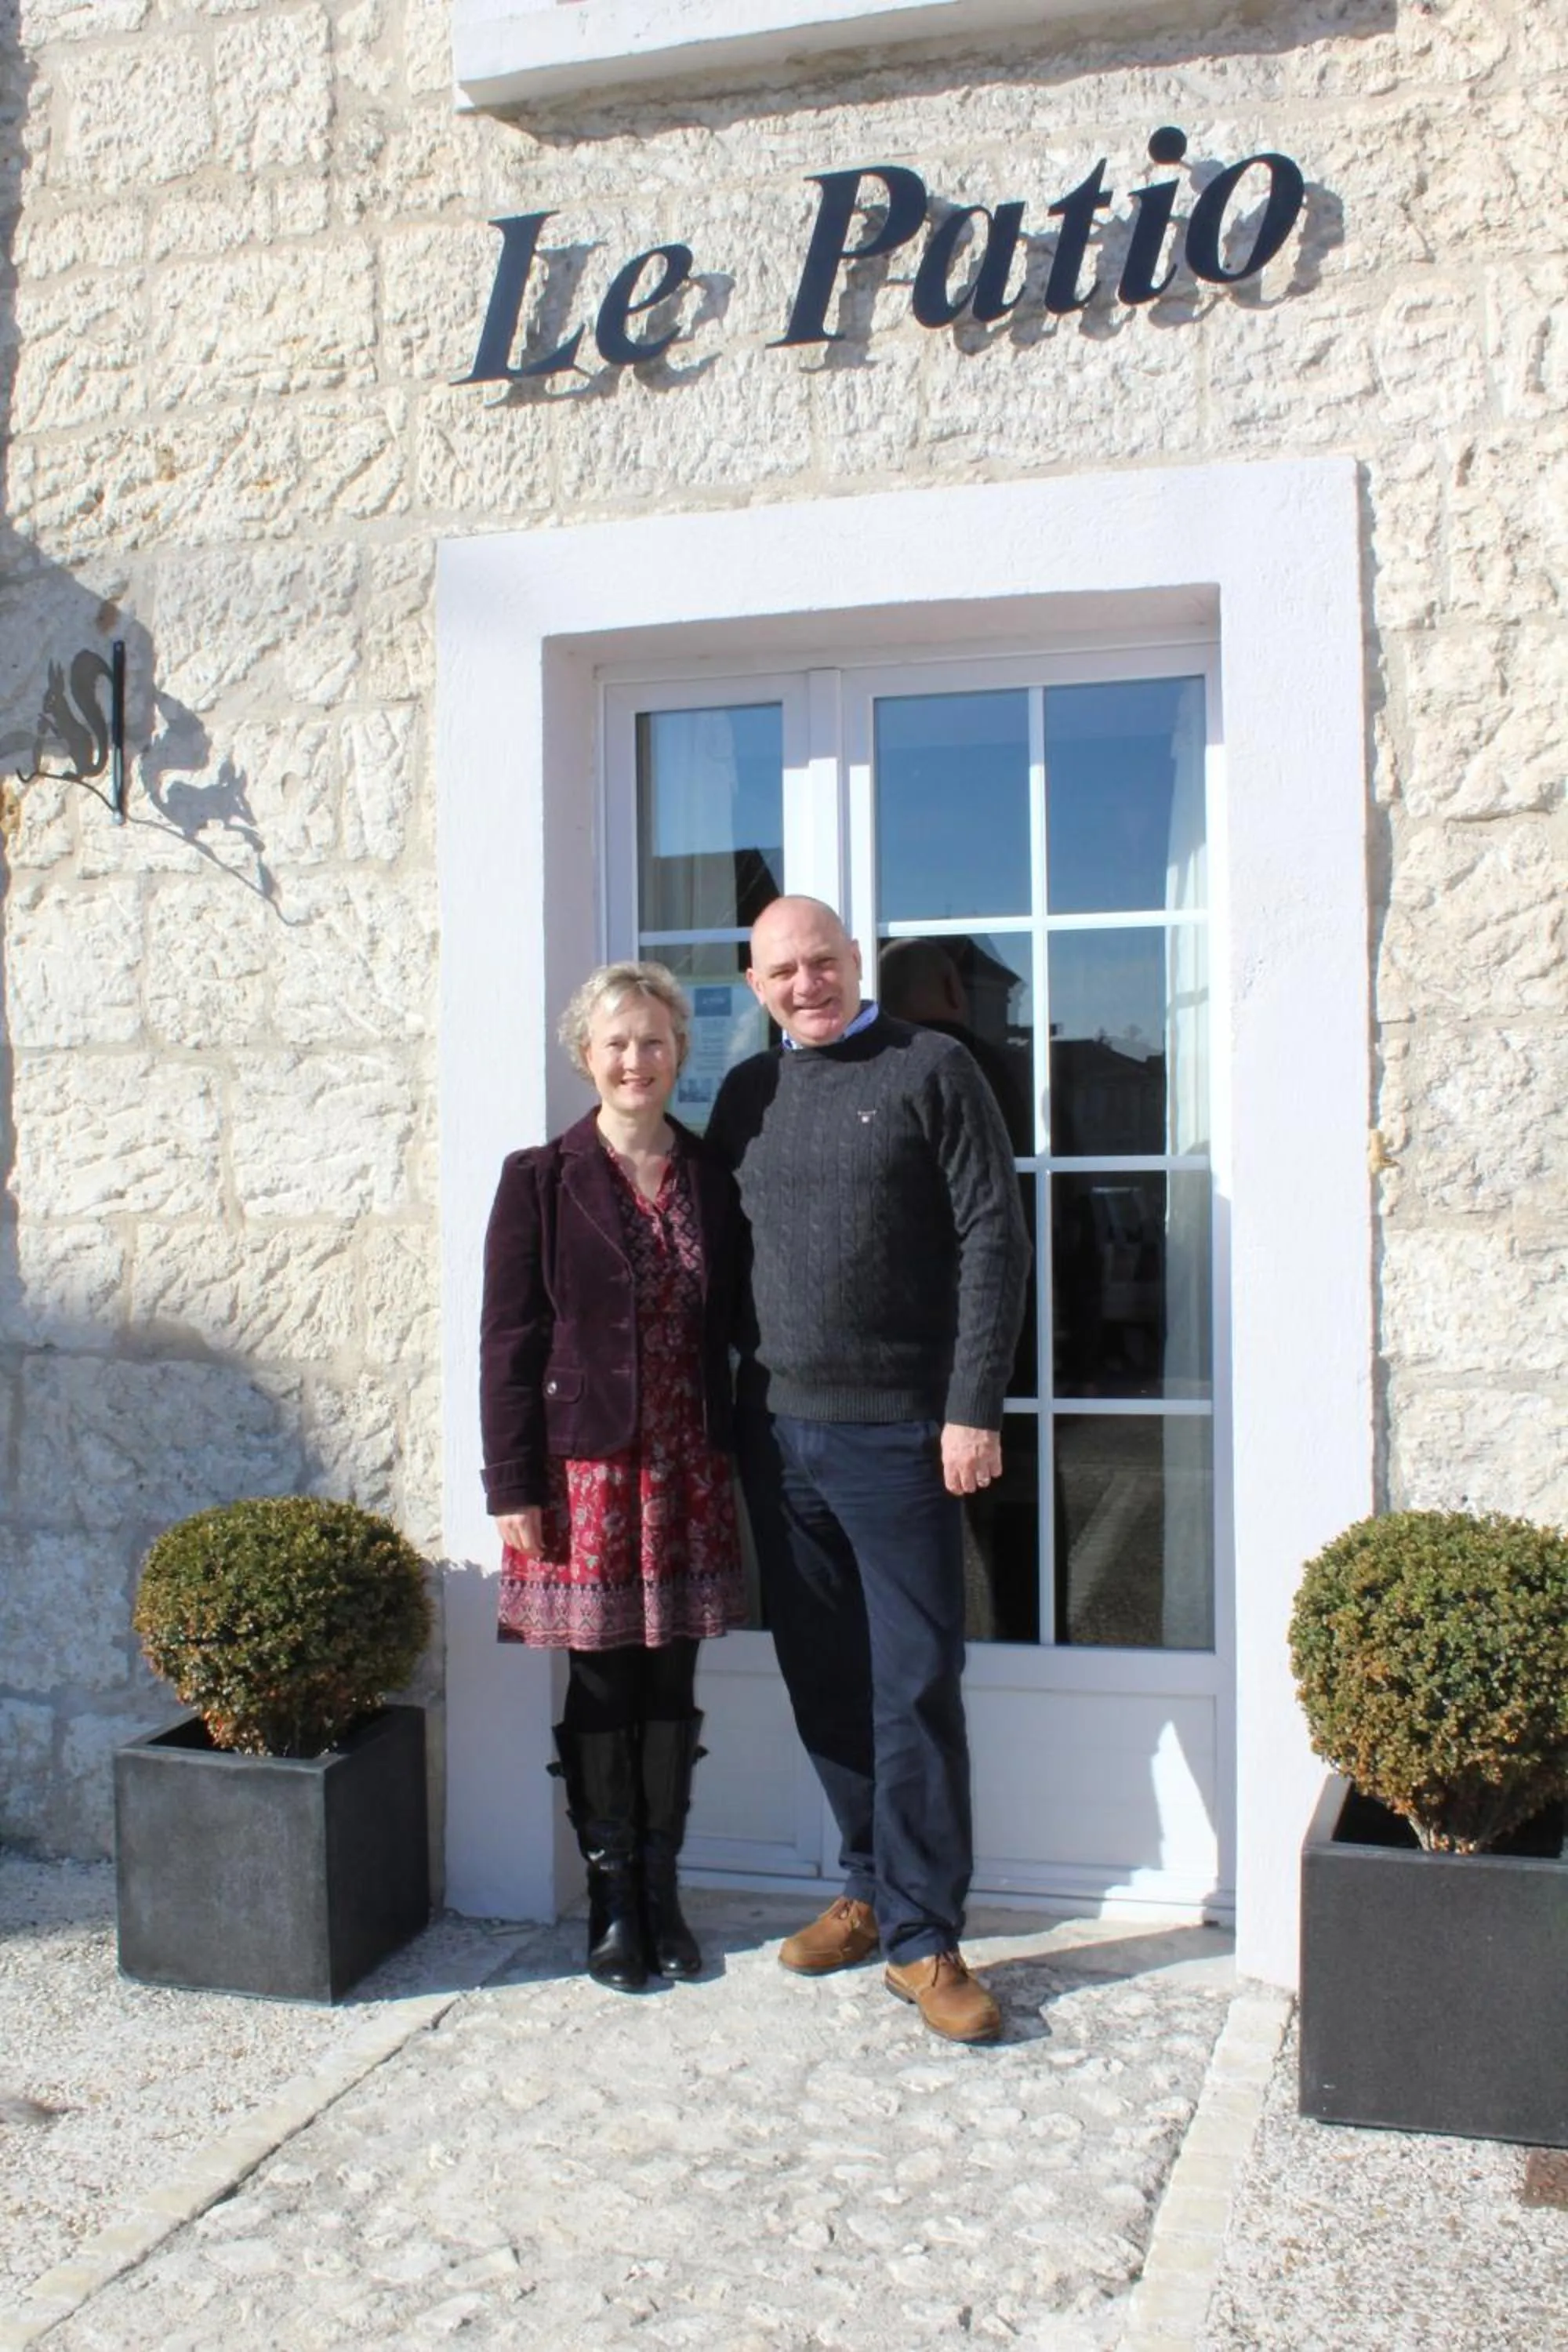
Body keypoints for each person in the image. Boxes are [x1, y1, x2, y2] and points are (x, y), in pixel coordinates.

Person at [708, 897, 1030, 2044]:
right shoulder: (748, 1093)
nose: (808, 984)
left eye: (824, 962)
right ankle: (865, 1885)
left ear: (856, 962)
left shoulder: (933, 1067)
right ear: (756, 985)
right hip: (778, 1434)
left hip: (902, 1438)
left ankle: (926, 1936)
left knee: (916, 1685)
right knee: (826, 1678)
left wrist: (970, 1406)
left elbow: (994, 1234)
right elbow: (724, 1258)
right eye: (784, 971)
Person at [479, 961, 746, 1992]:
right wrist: (512, 1485)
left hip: (685, 1465)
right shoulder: (540, 1178)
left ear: (680, 1051)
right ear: (586, 1055)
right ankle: (611, 1908)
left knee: (673, 1678)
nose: (637, 1060)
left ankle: (664, 1897)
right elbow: (509, 1339)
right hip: (583, 1473)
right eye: (617, 1042)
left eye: (655, 1041)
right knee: (601, 1681)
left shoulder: (714, 1178)